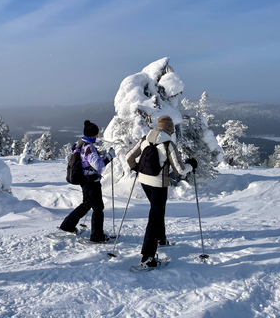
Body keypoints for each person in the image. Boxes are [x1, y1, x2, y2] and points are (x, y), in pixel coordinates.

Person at [126, 115, 197, 268]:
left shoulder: (145, 139)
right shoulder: (167, 144)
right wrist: (191, 165)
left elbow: (128, 157)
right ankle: (147, 258)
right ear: (169, 130)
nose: (172, 134)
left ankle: (161, 239)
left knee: (157, 211)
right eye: (172, 131)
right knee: (155, 216)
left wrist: (136, 168)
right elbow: (180, 170)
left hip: (144, 181)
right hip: (159, 184)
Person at [59, 120, 116, 242]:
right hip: (91, 181)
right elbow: (97, 165)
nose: (97, 136)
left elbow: (83, 159)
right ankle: (97, 236)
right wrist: (110, 156)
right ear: (92, 134)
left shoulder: (79, 143)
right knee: (98, 208)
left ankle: (67, 225)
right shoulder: (89, 147)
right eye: (96, 134)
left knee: (87, 204)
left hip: (83, 179)